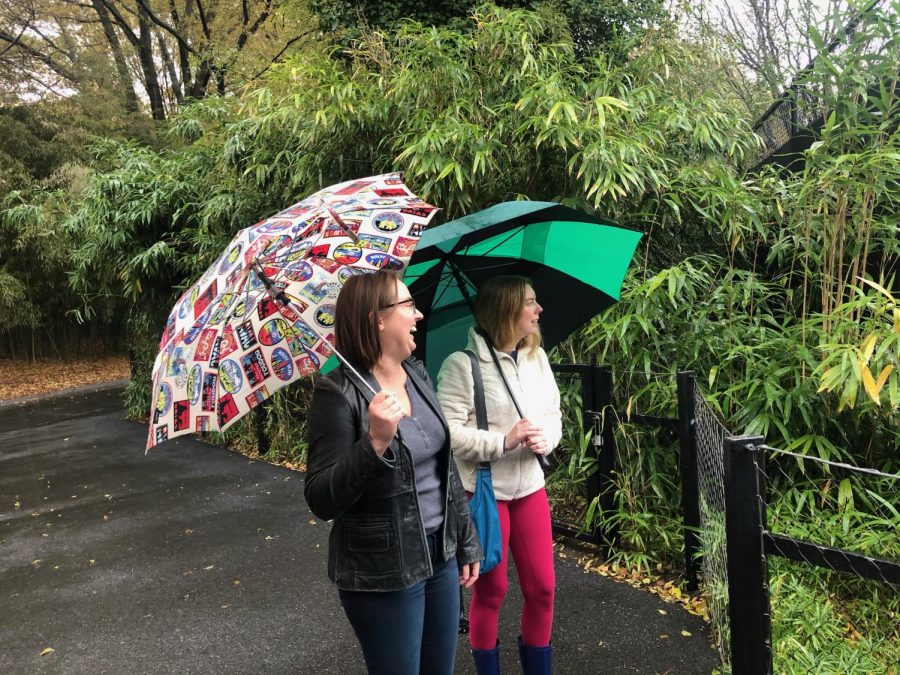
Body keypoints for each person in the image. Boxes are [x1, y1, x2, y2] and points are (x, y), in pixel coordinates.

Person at [304, 269, 482, 675]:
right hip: (382, 572)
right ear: (378, 320)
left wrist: (465, 539)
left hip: (439, 555)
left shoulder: (415, 373)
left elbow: (444, 465)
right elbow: (320, 496)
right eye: (408, 305)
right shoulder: (337, 392)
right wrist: (375, 443)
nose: (418, 315)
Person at [436, 275, 562, 675]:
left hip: (530, 490)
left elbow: (553, 415)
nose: (538, 309)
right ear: (507, 309)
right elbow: (450, 435)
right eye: (530, 302)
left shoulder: (535, 358)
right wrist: (504, 441)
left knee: (543, 589)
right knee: (491, 591)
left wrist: (547, 439)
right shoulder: (462, 366)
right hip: (484, 493)